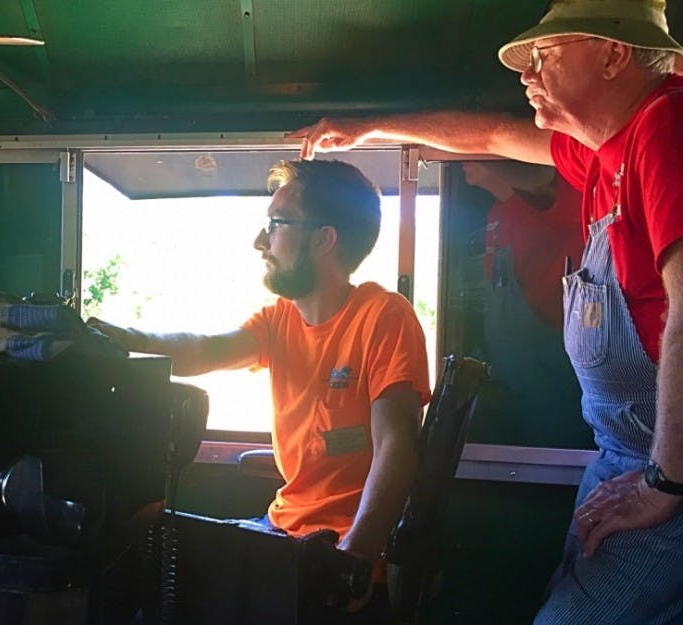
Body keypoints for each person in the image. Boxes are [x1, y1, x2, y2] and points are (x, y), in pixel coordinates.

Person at [291, 0, 683, 623]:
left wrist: (666, 482)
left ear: (615, 55)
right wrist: (370, 129)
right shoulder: (605, 150)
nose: (527, 74)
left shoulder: (667, 125)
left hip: (667, 470)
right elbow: (493, 135)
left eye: (546, 55)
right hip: (626, 456)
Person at [89, 159, 431, 612]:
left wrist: (359, 552)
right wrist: (126, 342)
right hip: (281, 533)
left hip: (333, 552)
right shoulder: (279, 320)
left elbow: (397, 443)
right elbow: (205, 349)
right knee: (141, 548)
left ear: (324, 239)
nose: (259, 241)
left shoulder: (384, 316)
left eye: (275, 224)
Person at [464, 161, 587, 447]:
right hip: (512, 383)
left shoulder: (552, 204)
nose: (462, 160)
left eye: (471, 150)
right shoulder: (497, 213)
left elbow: (544, 178)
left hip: (555, 389)